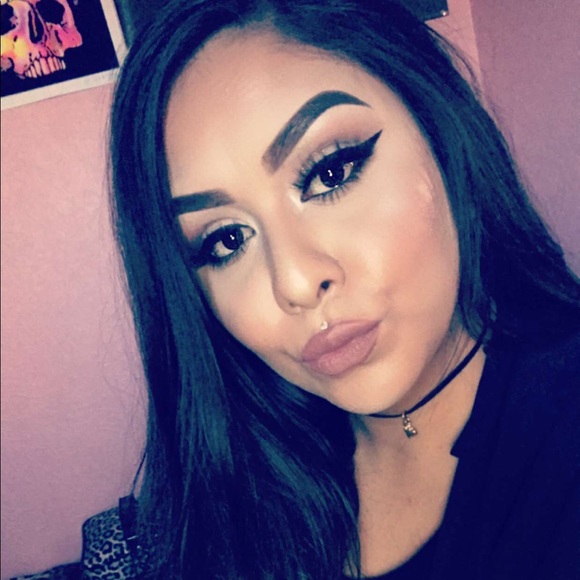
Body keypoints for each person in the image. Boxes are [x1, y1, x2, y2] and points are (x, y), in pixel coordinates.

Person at [15, 0, 580, 578]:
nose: (296, 283)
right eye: (227, 240)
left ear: (439, 128)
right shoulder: (241, 489)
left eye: (330, 173)